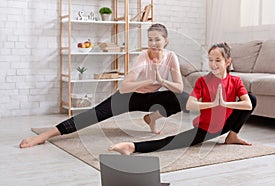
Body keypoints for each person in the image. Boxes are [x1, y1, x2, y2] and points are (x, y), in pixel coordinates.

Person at [19, 23, 189, 148]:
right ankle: (44, 136)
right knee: (94, 115)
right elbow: (124, 87)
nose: (153, 44)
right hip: (128, 97)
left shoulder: (171, 56)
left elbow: (179, 87)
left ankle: (151, 119)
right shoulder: (143, 57)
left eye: (157, 39)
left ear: (166, 41)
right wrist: (148, 81)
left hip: (151, 98)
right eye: (150, 39)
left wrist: (161, 80)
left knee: (183, 98)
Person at [109, 42, 257, 155]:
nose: (213, 64)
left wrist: (224, 103)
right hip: (206, 128)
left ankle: (232, 136)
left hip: (227, 122)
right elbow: (191, 105)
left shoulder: (235, 81)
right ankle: (132, 146)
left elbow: (248, 105)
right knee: (173, 141)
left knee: (252, 98)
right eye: (210, 60)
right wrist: (212, 104)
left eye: (218, 60)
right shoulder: (203, 81)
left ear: (228, 62)